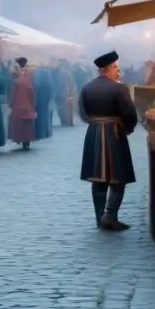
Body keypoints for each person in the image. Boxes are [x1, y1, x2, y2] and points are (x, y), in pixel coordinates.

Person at [80, 51, 138, 231]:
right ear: (109, 68)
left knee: (98, 179)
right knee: (118, 178)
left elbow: (82, 113)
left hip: (94, 131)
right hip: (114, 132)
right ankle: (110, 216)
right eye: (116, 68)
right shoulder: (119, 88)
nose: (118, 72)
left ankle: (100, 218)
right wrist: (128, 128)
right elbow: (130, 114)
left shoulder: (86, 88)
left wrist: (94, 123)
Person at [8, 57, 37, 150]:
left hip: (17, 104)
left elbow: (11, 91)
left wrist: (10, 103)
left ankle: (19, 139)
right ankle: (26, 141)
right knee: (27, 125)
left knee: (18, 124)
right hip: (28, 103)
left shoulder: (14, 77)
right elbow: (33, 91)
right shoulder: (29, 75)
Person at [32, 63, 55, 141]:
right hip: (45, 98)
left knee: (40, 116)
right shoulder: (48, 75)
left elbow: (36, 84)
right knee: (45, 116)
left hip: (40, 97)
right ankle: (45, 132)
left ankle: (40, 133)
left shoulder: (37, 73)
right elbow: (51, 87)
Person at [54, 60, 77, 127]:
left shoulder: (65, 74)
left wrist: (68, 92)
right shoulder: (64, 73)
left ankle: (67, 122)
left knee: (66, 109)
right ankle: (66, 121)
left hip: (66, 94)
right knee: (64, 109)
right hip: (64, 93)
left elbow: (70, 85)